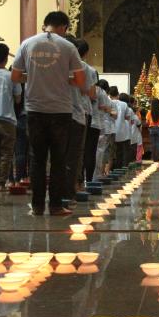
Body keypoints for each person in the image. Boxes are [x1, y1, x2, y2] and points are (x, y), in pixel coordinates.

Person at [11, 11, 86, 216]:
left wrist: (34, 77)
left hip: (35, 109)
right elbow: (80, 81)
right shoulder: (68, 47)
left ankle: (37, 206)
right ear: (63, 27)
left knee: (37, 159)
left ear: (45, 24)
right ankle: (55, 206)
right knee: (58, 160)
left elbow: (15, 76)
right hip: (61, 110)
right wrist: (63, 79)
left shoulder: (27, 44)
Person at [63, 36, 97, 205]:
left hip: (58, 111)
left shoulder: (58, 64)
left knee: (60, 151)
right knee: (78, 152)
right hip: (79, 112)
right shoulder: (86, 68)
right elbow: (90, 93)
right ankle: (75, 185)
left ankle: (59, 188)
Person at [0, 43, 21, 191]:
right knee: (6, 154)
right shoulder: (12, 76)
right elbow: (18, 99)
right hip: (8, 119)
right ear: (6, 58)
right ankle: (2, 183)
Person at [92, 80, 115, 179]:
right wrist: (110, 111)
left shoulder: (92, 90)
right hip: (101, 125)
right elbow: (105, 108)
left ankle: (91, 175)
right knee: (100, 150)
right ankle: (97, 174)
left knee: (93, 150)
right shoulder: (102, 93)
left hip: (90, 122)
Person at [113, 92, 133, 169]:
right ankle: (124, 167)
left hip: (115, 130)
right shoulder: (128, 108)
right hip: (126, 132)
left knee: (118, 151)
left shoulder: (113, 105)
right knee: (125, 151)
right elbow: (129, 119)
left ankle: (117, 167)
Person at [146, 98, 159, 162]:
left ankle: (153, 158)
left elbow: (147, 122)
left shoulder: (149, 112)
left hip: (152, 128)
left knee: (153, 144)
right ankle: (157, 159)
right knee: (158, 143)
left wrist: (151, 124)